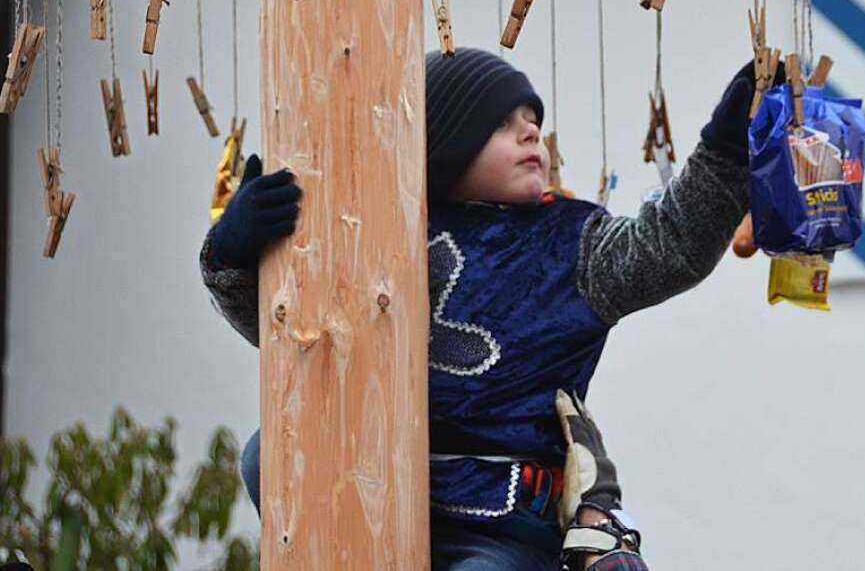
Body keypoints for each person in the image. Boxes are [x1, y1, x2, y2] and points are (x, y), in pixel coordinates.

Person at [200, 47, 775, 569]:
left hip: (500, 526)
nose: (532, 136)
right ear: (446, 141)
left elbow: (668, 247)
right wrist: (234, 253)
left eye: (535, 124)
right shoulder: (378, 231)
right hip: (376, 487)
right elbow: (296, 333)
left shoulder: (573, 243)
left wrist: (724, 155)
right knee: (269, 446)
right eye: (504, 124)